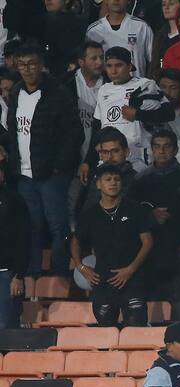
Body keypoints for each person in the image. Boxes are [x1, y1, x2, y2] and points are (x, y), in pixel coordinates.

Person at [7, 42, 83, 277]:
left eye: (31, 64)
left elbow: (75, 134)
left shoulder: (58, 93)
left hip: (52, 175)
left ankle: (60, 274)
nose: (27, 69)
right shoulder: (16, 92)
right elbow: (13, 130)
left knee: (57, 226)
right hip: (25, 175)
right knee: (30, 226)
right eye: (22, 65)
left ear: (41, 65)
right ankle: (31, 277)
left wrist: (59, 166)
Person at [71, 164, 153, 326]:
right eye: (108, 179)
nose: (113, 183)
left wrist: (130, 269)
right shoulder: (89, 214)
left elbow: (148, 241)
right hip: (103, 281)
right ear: (98, 184)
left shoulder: (135, 209)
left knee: (135, 330)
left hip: (133, 280)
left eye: (117, 179)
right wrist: (80, 266)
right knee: (105, 331)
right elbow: (75, 241)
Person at [129, 129, 180, 301]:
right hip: (152, 249)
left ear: (176, 150)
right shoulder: (140, 180)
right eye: (157, 147)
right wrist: (150, 215)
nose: (162, 151)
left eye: (167, 146)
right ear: (152, 150)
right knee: (156, 304)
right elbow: (131, 214)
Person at [89, 46, 174, 167]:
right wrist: (89, 160)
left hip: (137, 156)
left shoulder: (145, 85)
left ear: (129, 67)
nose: (113, 71)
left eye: (119, 65)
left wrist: (138, 115)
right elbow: (97, 126)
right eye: (109, 66)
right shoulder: (104, 90)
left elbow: (169, 114)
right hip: (108, 156)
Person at [86, 0, 154, 74]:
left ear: (128, 1)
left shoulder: (142, 27)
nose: (116, 0)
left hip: (137, 84)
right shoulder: (93, 31)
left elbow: (155, 60)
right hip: (105, 84)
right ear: (106, 1)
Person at [0, 164, 30, 329]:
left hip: (7, 274)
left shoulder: (14, 200)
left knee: (6, 326)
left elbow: (24, 240)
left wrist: (18, 276)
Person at [68, 41, 106, 162]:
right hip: (73, 157)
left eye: (101, 57)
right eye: (94, 58)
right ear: (81, 62)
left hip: (103, 155)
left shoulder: (111, 84)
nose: (99, 62)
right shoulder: (65, 84)